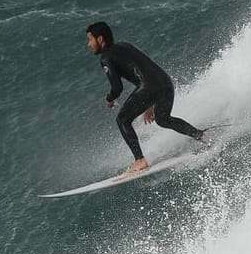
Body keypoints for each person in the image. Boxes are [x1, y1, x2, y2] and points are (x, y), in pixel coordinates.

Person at [86, 21, 208, 175]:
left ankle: (139, 160)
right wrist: (149, 103)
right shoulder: (125, 45)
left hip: (149, 88)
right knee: (163, 119)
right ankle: (202, 136)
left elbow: (117, 88)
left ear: (100, 39)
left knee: (122, 120)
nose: (89, 44)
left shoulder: (105, 57)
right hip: (165, 83)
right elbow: (145, 70)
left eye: (90, 40)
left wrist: (109, 99)